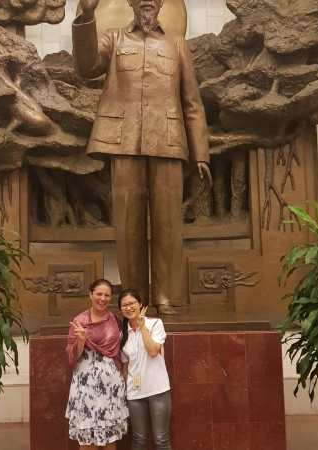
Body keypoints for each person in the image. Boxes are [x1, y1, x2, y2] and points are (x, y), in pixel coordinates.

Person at [72, 0, 212, 315]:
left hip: (168, 141)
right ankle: (134, 297)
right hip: (124, 141)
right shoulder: (114, 39)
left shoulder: (177, 44)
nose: (147, 3)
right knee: (128, 224)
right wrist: (87, 15)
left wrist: (201, 153)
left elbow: (192, 102)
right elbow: (86, 67)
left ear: (161, 4)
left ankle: (164, 294)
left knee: (168, 223)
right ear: (132, 3)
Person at [65, 279, 128, 449]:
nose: (102, 298)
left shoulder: (114, 319)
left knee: (110, 438)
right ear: (90, 295)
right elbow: (72, 356)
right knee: (87, 438)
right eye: (99, 294)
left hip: (111, 384)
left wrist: (123, 375)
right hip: (86, 385)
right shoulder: (80, 321)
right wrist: (81, 340)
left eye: (107, 295)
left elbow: (119, 350)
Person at [118, 288, 172, 450]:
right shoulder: (122, 334)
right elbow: (125, 365)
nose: (129, 307)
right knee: (138, 439)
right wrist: (126, 390)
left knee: (161, 439)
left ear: (140, 304)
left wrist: (142, 328)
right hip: (134, 393)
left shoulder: (155, 324)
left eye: (132, 303)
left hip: (158, 390)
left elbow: (153, 351)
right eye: (124, 305)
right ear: (120, 309)